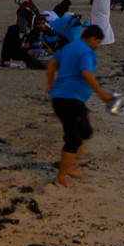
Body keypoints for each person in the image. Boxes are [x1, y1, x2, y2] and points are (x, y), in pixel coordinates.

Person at [45, 24, 117, 187]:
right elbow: (86, 74)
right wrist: (103, 95)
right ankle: (61, 177)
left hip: (65, 99)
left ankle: (72, 165)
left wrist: (50, 83)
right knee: (73, 139)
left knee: (85, 131)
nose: (98, 46)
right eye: (98, 42)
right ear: (91, 38)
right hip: (69, 100)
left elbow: (51, 63)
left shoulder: (70, 46)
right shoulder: (85, 51)